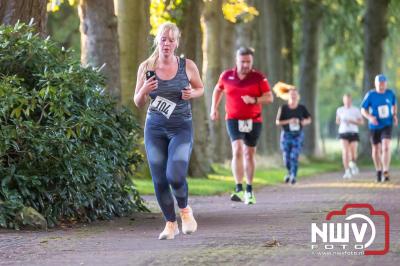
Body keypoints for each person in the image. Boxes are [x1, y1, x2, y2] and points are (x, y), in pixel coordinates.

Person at [134, 22, 204, 240]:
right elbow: (137, 101)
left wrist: (191, 93)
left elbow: (200, 88)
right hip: (154, 128)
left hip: (181, 126)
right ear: (158, 40)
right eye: (163, 39)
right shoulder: (147, 67)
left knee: (175, 174)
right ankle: (170, 224)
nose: (167, 43)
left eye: (171, 40)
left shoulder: (187, 66)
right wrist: (144, 90)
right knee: (159, 179)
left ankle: (185, 211)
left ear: (176, 43)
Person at [210, 47, 273, 205]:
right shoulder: (226, 76)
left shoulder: (258, 77)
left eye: (248, 62)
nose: (245, 65)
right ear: (236, 60)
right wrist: (214, 108)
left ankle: (249, 190)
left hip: (254, 120)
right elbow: (218, 90)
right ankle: (238, 188)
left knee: (249, 154)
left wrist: (254, 100)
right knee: (237, 149)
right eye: (242, 61)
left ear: (252, 61)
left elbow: (269, 97)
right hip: (233, 118)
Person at [361, 74, 398, 182]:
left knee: (386, 146)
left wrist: (394, 115)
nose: (381, 85)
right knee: (376, 150)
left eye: (383, 83)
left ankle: (385, 170)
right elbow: (363, 109)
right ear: (375, 84)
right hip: (375, 125)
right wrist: (370, 117)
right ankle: (378, 170)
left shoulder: (390, 93)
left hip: (387, 124)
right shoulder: (370, 95)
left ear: (386, 83)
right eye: (379, 83)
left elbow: (394, 104)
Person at [274, 82, 312, 184]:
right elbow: (277, 122)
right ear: (288, 96)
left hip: (298, 135)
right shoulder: (283, 108)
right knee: (286, 158)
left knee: (294, 156)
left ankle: (293, 176)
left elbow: (309, 119)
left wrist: (304, 121)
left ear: (297, 96)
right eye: (291, 94)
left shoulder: (302, 108)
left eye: (295, 94)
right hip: (286, 135)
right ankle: (289, 172)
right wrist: (289, 121)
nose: (293, 96)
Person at [336, 94, 364, 179]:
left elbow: (361, 122)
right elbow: (337, 121)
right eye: (346, 100)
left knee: (353, 153)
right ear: (343, 100)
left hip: (353, 132)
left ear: (351, 100)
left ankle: (353, 163)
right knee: (345, 151)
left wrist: (352, 121)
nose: (347, 102)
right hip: (343, 132)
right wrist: (342, 121)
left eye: (349, 100)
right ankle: (347, 171)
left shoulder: (355, 110)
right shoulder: (340, 110)